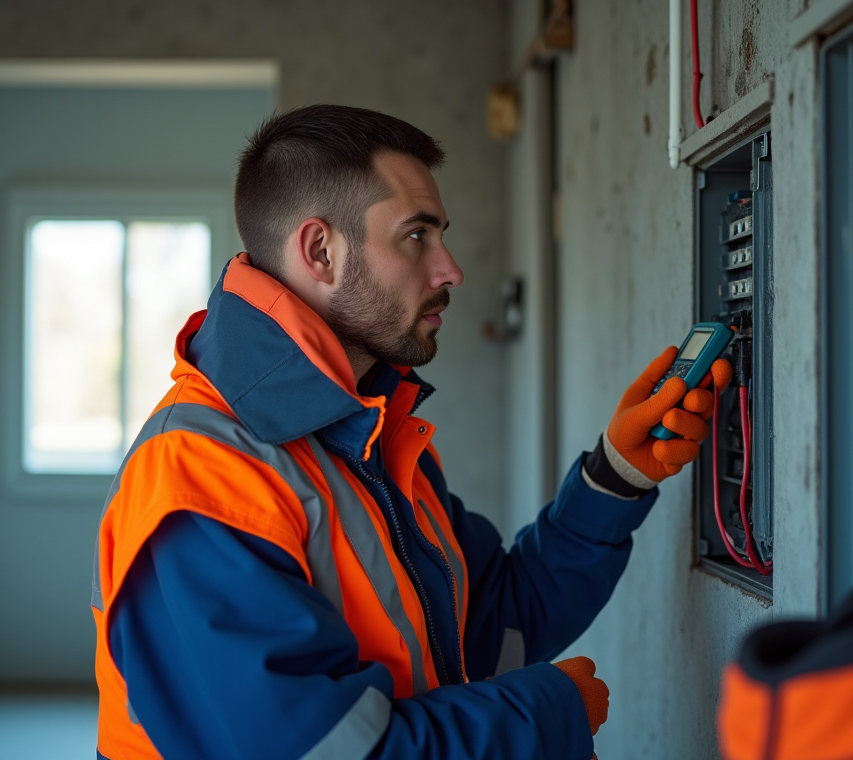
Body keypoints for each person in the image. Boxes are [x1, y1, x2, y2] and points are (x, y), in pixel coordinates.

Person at [90, 104, 731, 760]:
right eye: (416, 235)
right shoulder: (199, 476)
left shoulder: (369, 433)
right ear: (320, 252)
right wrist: (546, 714)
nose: (450, 268)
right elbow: (322, 752)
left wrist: (614, 477)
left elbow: (493, 629)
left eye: (441, 235)